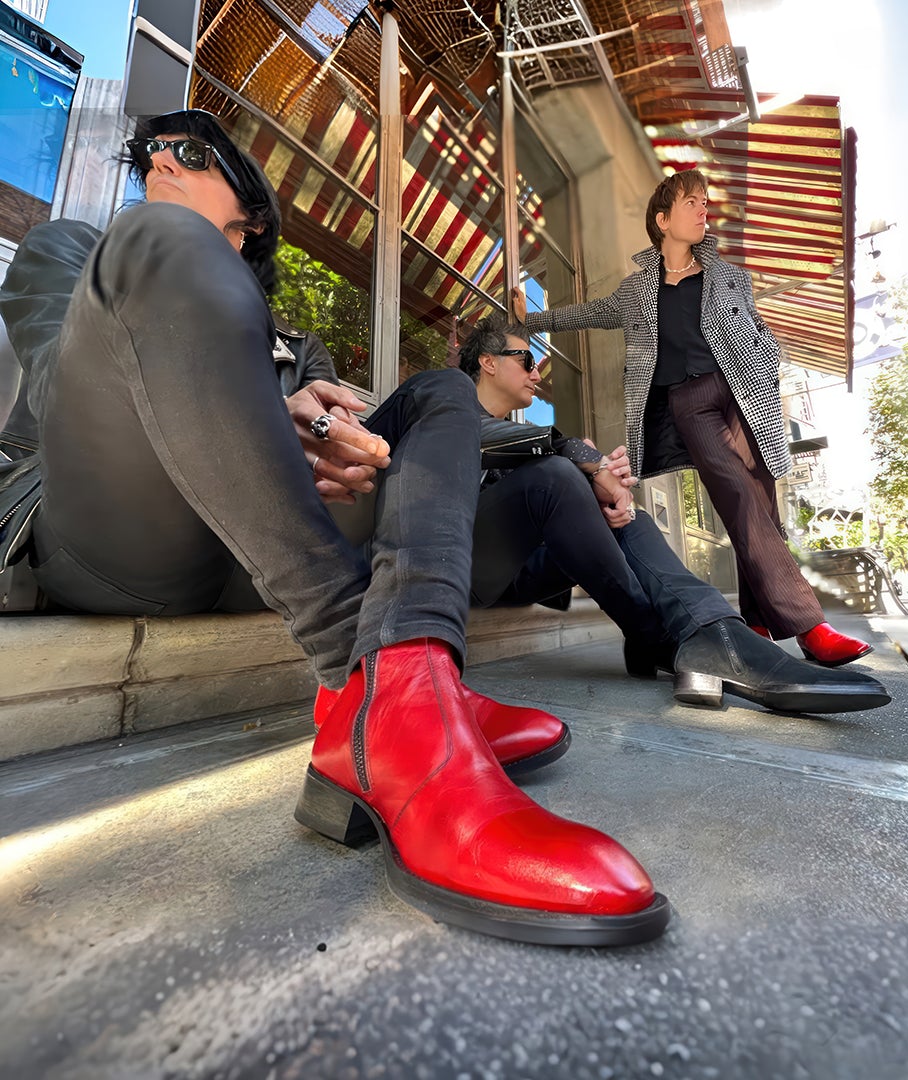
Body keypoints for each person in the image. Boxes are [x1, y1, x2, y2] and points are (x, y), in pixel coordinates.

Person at [0, 109, 666, 947]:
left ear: (247, 221)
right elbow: (69, 390)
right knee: (158, 242)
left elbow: (345, 439)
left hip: (255, 544)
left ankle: (412, 671)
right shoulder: (83, 251)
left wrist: (335, 439)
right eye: (150, 153)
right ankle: (376, 698)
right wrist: (282, 416)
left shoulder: (296, 342)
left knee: (440, 394)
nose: (160, 161)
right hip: (113, 524)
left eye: (191, 153)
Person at [512, 169, 872, 667]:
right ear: (663, 220)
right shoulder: (638, 289)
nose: (704, 208)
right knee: (741, 497)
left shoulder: (729, 276)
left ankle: (758, 618)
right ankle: (810, 627)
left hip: (746, 394)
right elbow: (588, 313)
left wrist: (768, 364)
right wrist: (529, 319)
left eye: (706, 201)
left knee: (761, 508)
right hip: (689, 402)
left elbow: (757, 328)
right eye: (692, 202)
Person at [455, 316, 889, 713]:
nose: (537, 372)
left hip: (524, 566)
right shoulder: (448, 407)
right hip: (467, 563)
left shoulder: (524, 440)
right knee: (559, 470)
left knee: (631, 518)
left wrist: (597, 499)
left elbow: (540, 508)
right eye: (526, 360)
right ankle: (673, 639)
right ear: (488, 363)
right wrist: (584, 460)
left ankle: (716, 634)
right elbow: (496, 453)